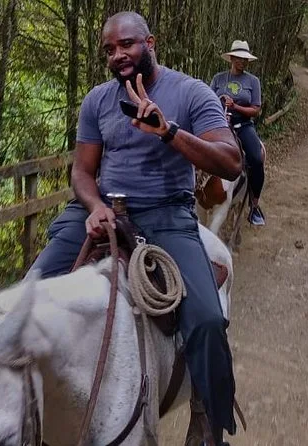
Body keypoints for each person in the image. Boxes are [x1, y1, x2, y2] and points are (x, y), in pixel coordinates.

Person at [28, 11, 241, 445]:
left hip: (166, 213)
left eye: (126, 44)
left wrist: (169, 131)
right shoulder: (97, 101)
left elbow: (231, 160)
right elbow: (82, 172)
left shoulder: (191, 92)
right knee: (26, 297)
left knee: (205, 319)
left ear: (150, 43)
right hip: (103, 209)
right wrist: (93, 206)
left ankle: (210, 417)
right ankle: (24, 418)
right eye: (109, 49)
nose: (118, 55)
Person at [210, 40, 266, 226]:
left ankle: (254, 205)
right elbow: (208, 101)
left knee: (256, 158)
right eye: (239, 58)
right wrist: (220, 104)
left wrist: (236, 107)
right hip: (219, 124)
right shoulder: (218, 78)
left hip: (243, 125)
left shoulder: (253, 81)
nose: (242, 62)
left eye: (245, 59)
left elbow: (255, 109)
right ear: (232, 58)